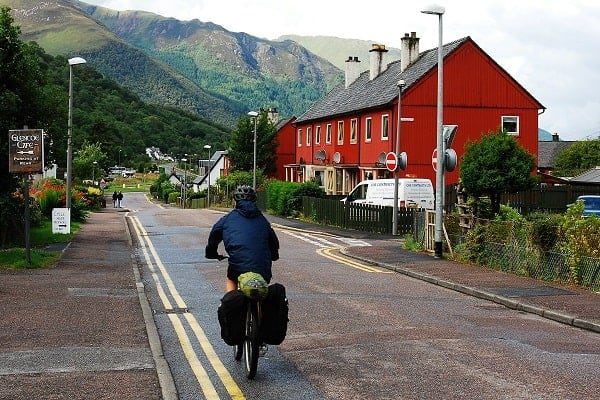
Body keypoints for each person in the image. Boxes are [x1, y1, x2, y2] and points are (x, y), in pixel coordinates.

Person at [205, 185, 280, 292]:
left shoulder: (228, 219)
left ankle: (230, 304)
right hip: (262, 267)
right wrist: (274, 256)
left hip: (237, 266)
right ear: (254, 200)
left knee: (232, 279)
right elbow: (273, 242)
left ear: (235, 201)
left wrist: (211, 253)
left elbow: (214, 235)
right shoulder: (262, 220)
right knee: (262, 286)